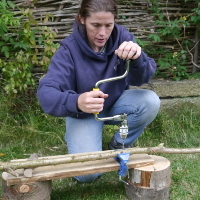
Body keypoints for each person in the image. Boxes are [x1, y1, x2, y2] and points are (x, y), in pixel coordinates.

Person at [37, 0, 160, 183]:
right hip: (83, 113)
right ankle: (82, 137)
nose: (102, 33)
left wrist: (137, 57)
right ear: (82, 19)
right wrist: (77, 102)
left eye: (108, 25)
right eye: (95, 25)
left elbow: (144, 77)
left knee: (150, 101)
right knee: (87, 175)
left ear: (114, 22)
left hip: (115, 103)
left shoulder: (122, 38)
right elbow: (46, 93)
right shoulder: (68, 50)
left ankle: (118, 144)